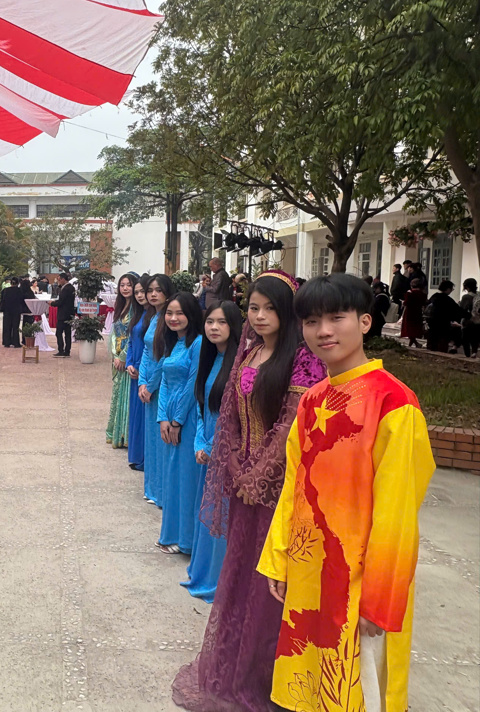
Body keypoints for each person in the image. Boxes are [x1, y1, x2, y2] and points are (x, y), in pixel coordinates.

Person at [259, 274, 434, 712]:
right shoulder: (313, 400)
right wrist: (280, 555)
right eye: (313, 321)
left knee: (358, 689)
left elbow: (398, 512)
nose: (324, 331)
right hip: (309, 567)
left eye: (338, 318)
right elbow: (295, 487)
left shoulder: (395, 404)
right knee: (310, 681)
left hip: (360, 581)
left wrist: (381, 598)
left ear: (366, 322)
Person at [172, 271, 326, 712]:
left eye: (269, 308)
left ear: (288, 312)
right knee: (239, 578)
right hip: (245, 486)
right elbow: (231, 418)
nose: (259, 317)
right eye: (254, 308)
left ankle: (268, 679)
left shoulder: (303, 361)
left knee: (270, 587)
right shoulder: (252, 351)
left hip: (280, 491)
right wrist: (237, 466)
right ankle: (234, 667)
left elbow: (290, 427)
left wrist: (259, 474)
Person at [183, 301, 242, 603]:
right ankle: (202, 572)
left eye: (221, 322)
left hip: (227, 454)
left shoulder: (238, 365)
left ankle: (218, 580)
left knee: (221, 516)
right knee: (204, 513)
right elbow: (203, 408)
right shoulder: (209, 358)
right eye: (209, 322)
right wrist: (199, 443)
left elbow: (233, 419)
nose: (214, 327)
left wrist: (212, 445)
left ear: (234, 326)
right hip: (207, 449)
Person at [155, 292, 204, 555]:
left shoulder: (197, 343)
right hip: (170, 416)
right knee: (172, 476)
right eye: (169, 313)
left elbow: (193, 383)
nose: (173, 318)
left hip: (187, 418)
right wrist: (162, 416)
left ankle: (185, 540)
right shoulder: (174, 342)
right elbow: (164, 380)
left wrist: (177, 421)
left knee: (186, 479)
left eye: (180, 313)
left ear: (191, 314)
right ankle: (171, 534)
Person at [138, 274, 175, 506]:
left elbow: (166, 357)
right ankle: (151, 488)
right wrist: (141, 382)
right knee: (151, 440)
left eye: (158, 290)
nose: (153, 294)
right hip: (147, 384)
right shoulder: (153, 318)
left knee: (161, 442)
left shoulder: (170, 320)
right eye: (150, 290)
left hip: (162, 386)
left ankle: (162, 492)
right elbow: (145, 351)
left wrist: (151, 385)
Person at [106, 273, 138, 449]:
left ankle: (125, 434)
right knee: (118, 395)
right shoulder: (121, 306)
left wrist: (123, 357)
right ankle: (116, 432)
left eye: (129, 285)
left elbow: (132, 336)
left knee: (126, 395)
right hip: (117, 356)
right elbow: (114, 334)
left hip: (127, 358)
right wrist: (114, 354)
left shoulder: (136, 309)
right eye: (122, 285)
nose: (125, 288)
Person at [125, 277, 149, 471]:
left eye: (144, 292)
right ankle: (136, 455)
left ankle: (144, 458)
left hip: (146, 373)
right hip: (135, 371)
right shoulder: (138, 314)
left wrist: (141, 368)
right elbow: (131, 340)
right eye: (138, 292)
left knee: (144, 416)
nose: (140, 296)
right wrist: (129, 363)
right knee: (136, 415)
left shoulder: (156, 316)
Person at [425, 279, 467, 352]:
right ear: (448, 289)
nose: (451, 291)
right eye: (451, 289)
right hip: (443, 323)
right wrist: (468, 316)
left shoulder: (434, 296)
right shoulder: (447, 299)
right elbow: (457, 310)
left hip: (431, 322)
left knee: (432, 341)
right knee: (442, 341)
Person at [50, 272, 76, 357]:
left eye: (59, 279)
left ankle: (61, 350)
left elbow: (61, 301)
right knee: (67, 333)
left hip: (63, 314)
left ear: (63, 279)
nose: (58, 281)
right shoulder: (71, 287)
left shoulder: (66, 289)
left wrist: (52, 303)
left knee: (59, 332)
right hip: (69, 313)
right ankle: (67, 351)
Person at [400, 277, 427, 348]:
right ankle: (414, 343)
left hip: (409, 312)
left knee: (409, 329)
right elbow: (424, 303)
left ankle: (414, 343)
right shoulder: (423, 294)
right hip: (417, 312)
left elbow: (406, 303)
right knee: (414, 329)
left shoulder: (409, 293)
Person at [0, 276, 24, 348]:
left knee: (7, 326)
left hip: (7, 311)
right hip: (16, 311)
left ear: (11, 283)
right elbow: (22, 301)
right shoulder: (20, 291)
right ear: (18, 283)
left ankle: (7, 342)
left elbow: (2, 300)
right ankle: (16, 342)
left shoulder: (5, 290)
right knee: (15, 326)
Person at [461, 278, 479, 358]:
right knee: (475, 337)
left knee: (465, 339)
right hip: (478, 320)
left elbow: (462, 309)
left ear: (466, 287)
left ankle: (467, 355)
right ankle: (474, 352)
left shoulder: (466, 297)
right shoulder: (478, 295)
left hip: (468, 321)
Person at [19, 277, 36, 345]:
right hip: (29, 311)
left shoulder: (20, 292)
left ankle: (24, 339)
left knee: (24, 325)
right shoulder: (30, 293)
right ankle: (28, 339)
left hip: (22, 310)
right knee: (29, 324)